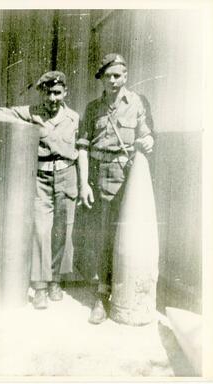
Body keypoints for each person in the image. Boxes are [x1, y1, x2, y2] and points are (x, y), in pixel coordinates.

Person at [0, 71, 79, 309]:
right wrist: (27, 123)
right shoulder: (32, 112)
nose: (52, 98)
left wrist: (45, 133)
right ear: (41, 93)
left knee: (62, 232)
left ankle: (55, 281)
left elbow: (75, 151)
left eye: (57, 92)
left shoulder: (73, 118)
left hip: (67, 177)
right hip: (41, 178)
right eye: (47, 93)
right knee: (41, 231)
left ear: (65, 92)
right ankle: (39, 286)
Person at [77, 53, 154, 324]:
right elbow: (83, 148)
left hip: (127, 179)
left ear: (126, 76)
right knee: (101, 238)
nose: (112, 80)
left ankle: (124, 297)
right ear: (101, 78)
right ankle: (100, 297)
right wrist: (84, 183)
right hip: (99, 178)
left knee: (126, 238)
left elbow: (145, 135)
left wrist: (147, 142)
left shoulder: (137, 104)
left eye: (117, 75)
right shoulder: (93, 108)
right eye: (107, 76)